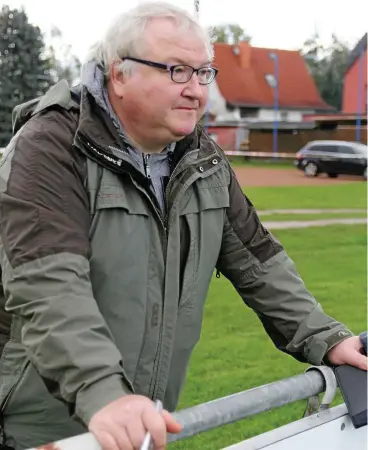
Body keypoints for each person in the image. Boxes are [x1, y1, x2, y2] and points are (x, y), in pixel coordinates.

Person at [0, 2, 366, 449]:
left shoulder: (203, 160)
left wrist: (325, 338)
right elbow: (49, 287)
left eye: (204, 73)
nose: (197, 91)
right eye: (177, 71)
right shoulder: (51, 149)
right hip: (42, 431)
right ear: (120, 74)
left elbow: (259, 261)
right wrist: (103, 393)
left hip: (141, 421)